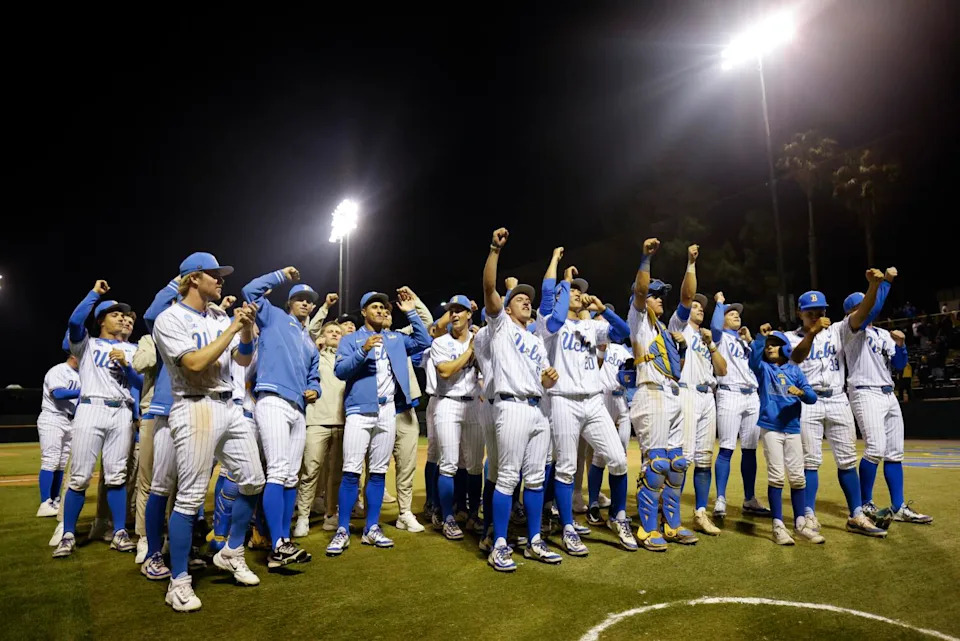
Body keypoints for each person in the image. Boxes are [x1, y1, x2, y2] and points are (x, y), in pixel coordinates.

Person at [152, 252, 265, 611]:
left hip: (229, 404)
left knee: (252, 480)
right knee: (189, 498)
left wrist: (245, 328)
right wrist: (233, 327)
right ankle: (179, 581)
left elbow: (243, 360)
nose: (221, 281)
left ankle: (232, 551)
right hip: (194, 404)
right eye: (214, 275)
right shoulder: (169, 318)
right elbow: (196, 363)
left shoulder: (218, 316)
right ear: (194, 278)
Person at [537, 257, 635, 556]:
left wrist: (603, 308)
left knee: (618, 459)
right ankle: (567, 527)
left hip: (594, 401)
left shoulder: (592, 325)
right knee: (566, 469)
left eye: (580, 292)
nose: (578, 295)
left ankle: (618, 517)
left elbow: (622, 332)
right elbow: (553, 313)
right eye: (573, 292)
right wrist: (564, 279)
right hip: (563, 400)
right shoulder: (548, 323)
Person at [325, 288, 431, 556]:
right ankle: (343, 529)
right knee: (351, 470)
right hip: (360, 410)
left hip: (388, 411)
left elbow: (424, 340)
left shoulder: (395, 338)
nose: (381, 311)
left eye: (384, 308)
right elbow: (340, 371)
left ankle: (372, 528)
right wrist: (363, 350)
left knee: (379, 472)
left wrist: (410, 312)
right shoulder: (351, 339)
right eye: (375, 307)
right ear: (364, 312)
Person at [481, 227, 561, 572]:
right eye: (519, 298)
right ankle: (499, 543)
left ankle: (533, 542)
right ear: (507, 307)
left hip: (537, 408)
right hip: (510, 406)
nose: (526, 301)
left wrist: (549, 378)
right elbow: (488, 289)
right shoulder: (501, 327)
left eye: (529, 299)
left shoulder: (536, 339)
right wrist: (495, 251)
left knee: (537, 479)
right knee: (508, 477)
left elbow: (544, 378)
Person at [787, 280, 889, 539]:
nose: (817, 316)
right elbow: (796, 357)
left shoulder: (837, 330)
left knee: (847, 461)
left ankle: (856, 514)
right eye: (811, 312)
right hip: (808, 401)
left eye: (821, 311)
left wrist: (874, 287)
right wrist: (811, 333)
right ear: (800, 313)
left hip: (837, 399)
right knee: (811, 462)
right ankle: (808, 514)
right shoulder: (789, 338)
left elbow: (863, 312)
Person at [54, 281, 142, 559]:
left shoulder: (133, 349)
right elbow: (74, 320)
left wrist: (127, 366)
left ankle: (118, 532)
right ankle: (67, 533)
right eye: (115, 314)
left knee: (117, 477)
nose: (122, 318)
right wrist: (95, 294)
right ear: (101, 320)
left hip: (122, 412)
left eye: (123, 315)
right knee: (79, 477)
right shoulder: (87, 345)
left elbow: (140, 383)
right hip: (91, 407)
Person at [241, 267, 321, 568]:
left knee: (290, 476)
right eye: (300, 298)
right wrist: (280, 276)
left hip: (298, 409)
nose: (305, 303)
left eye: (309, 301)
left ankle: (282, 540)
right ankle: (275, 543)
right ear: (290, 302)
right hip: (272, 398)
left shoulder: (309, 343)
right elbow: (249, 291)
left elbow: (315, 377)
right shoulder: (273, 316)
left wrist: (315, 389)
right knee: (276, 471)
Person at [843, 269, 933, 525]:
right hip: (864, 392)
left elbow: (900, 363)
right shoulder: (851, 329)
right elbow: (871, 309)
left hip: (887, 393)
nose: (868, 306)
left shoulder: (882, 333)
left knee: (895, 453)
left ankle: (898, 506)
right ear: (852, 310)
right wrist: (886, 284)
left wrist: (902, 346)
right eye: (862, 304)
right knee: (874, 449)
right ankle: (866, 503)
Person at [628, 238, 699, 551]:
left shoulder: (669, 328)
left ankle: (672, 525)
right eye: (657, 295)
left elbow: (687, 297)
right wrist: (645, 259)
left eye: (661, 296)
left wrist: (691, 264)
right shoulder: (639, 320)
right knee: (656, 464)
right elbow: (641, 291)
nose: (660, 299)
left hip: (671, 395)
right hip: (650, 394)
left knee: (677, 464)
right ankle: (647, 529)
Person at [667, 246, 727, 536]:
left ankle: (701, 513)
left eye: (703, 306)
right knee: (685, 457)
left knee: (705, 459)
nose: (699, 308)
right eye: (696, 306)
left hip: (708, 397)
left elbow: (722, 369)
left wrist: (712, 343)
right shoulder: (679, 326)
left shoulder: (706, 337)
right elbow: (686, 296)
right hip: (687, 394)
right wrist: (690, 264)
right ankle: (672, 515)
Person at [748, 325, 818, 545]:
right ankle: (778, 525)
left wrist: (802, 393)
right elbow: (753, 360)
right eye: (768, 346)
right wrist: (761, 336)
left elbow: (812, 397)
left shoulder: (794, 370)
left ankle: (799, 523)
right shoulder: (764, 369)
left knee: (798, 477)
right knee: (777, 476)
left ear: (785, 348)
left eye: (775, 344)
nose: (770, 348)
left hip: (792, 428)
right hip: (771, 428)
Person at [711, 292, 770, 519]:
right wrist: (719, 304)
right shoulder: (719, 338)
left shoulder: (743, 342)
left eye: (738, 314)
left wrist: (752, 342)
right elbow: (715, 326)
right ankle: (721, 499)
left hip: (751, 396)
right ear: (722, 318)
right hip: (729, 393)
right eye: (731, 314)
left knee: (750, 450)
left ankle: (749, 499)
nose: (736, 316)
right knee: (726, 447)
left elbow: (757, 365)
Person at [431, 294, 483, 540]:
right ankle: (448, 516)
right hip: (448, 403)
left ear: (469, 314)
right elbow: (445, 371)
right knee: (449, 464)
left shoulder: (480, 339)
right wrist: (470, 351)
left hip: (474, 404)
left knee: (473, 466)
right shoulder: (441, 342)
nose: (454, 314)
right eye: (451, 310)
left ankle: (473, 514)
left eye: (459, 310)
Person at [295, 321, 345, 537]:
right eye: (330, 331)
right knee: (310, 471)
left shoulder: (347, 359)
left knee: (336, 474)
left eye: (338, 332)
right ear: (322, 337)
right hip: (316, 420)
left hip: (342, 421)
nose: (335, 334)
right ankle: (303, 517)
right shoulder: (313, 356)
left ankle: (331, 515)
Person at [36, 342, 80, 518]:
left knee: (61, 462)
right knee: (50, 460)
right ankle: (44, 502)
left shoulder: (80, 374)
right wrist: (84, 391)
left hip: (69, 420)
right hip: (52, 417)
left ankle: (55, 499)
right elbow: (58, 394)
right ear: (73, 355)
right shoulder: (58, 370)